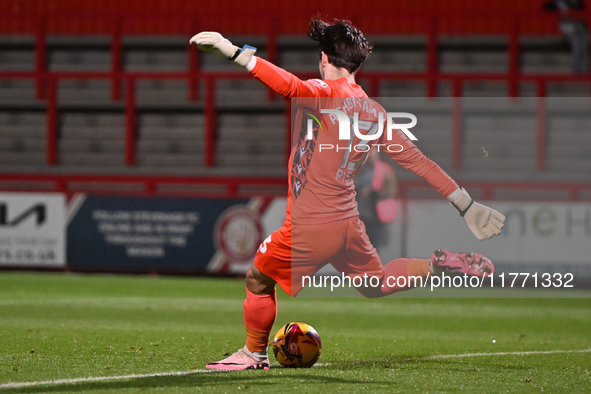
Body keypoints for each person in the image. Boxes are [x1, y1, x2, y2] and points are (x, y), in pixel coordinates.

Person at [190, 18, 506, 371]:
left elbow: (290, 86)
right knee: (376, 283)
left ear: (324, 58)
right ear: (357, 64)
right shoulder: (374, 112)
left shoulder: (325, 94)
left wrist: (234, 52)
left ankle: (253, 354)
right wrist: (466, 204)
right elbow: (418, 161)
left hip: (311, 225)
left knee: (257, 278)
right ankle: (435, 265)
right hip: (346, 222)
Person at [355, 150, 397, 254]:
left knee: (375, 244)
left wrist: (373, 192)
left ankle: (373, 268)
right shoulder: (360, 169)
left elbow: (391, 190)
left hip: (376, 214)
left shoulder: (385, 170)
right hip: (360, 213)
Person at [544, 0, 589, 74]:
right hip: (567, 25)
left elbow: (582, 13)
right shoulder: (559, 3)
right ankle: (576, 69)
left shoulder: (576, 2)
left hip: (579, 25)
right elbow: (547, 8)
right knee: (578, 45)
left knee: (584, 44)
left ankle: (584, 69)